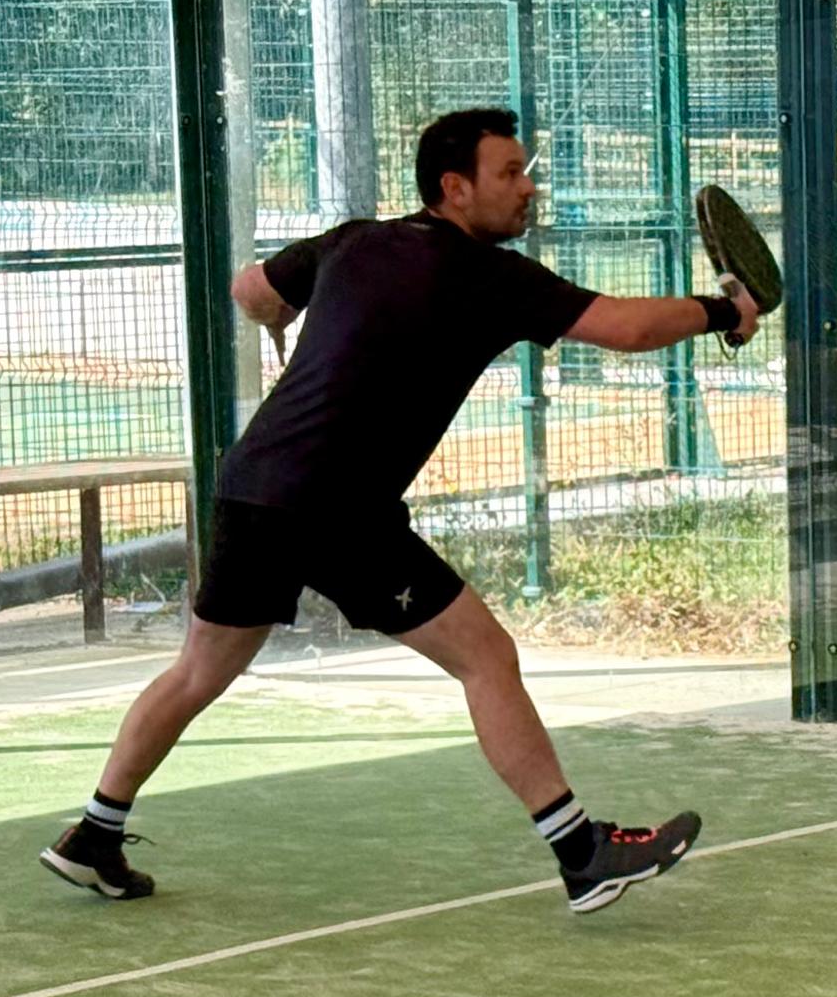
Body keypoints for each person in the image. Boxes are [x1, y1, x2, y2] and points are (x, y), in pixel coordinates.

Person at [41, 107, 760, 914]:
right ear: (455, 188)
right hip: (336, 507)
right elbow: (625, 327)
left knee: (198, 671)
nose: (528, 188)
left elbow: (251, 289)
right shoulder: (488, 276)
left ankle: (94, 833)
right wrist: (722, 310)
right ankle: (581, 853)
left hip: (253, 485)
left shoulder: (353, 242)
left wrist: (278, 315)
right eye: (509, 174)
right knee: (485, 657)